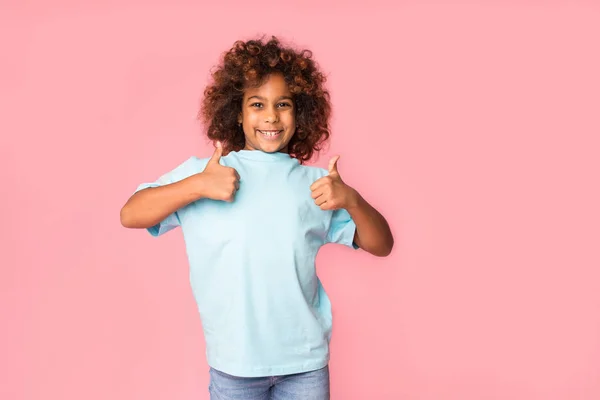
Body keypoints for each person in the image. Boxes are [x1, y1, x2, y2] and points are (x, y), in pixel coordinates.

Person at [120, 36, 393, 400]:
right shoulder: (206, 174)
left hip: (305, 364)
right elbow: (131, 213)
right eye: (257, 104)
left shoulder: (317, 184)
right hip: (235, 366)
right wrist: (197, 186)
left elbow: (382, 244)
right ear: (237, 112)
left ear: (301, 113)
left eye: (283, 104)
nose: (270, 116)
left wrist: (353, 200)